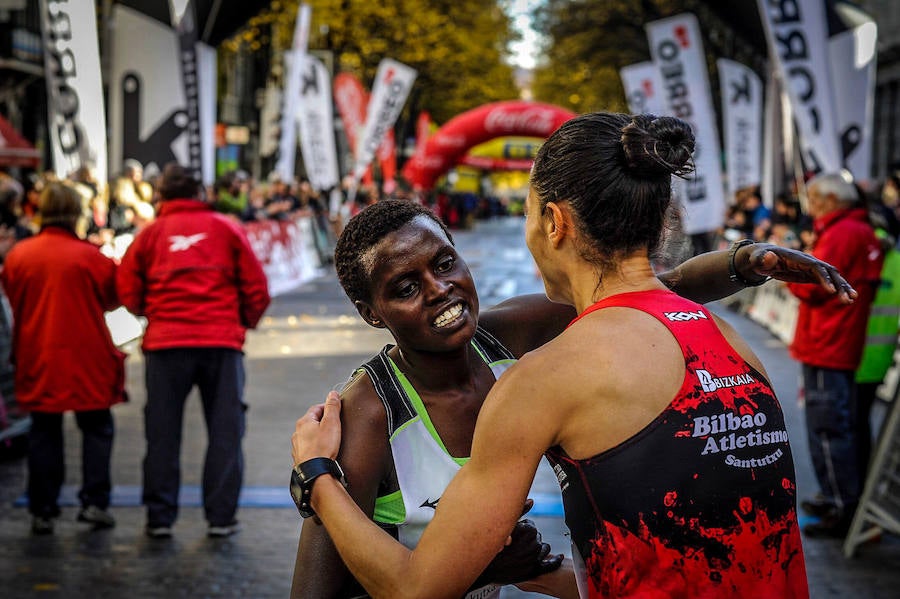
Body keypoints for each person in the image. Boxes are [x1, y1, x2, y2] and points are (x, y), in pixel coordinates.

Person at [290, 114, 858, 598]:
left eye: (443, 264)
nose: (439, 290)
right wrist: (319, 477)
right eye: (405, 287)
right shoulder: (734, 346)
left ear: (554, 223)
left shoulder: (531, 366)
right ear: (372, 311)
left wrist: (314, 475)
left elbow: (666, 284)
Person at [116, 162, 271, 539]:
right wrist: (239, 325)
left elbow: (127, 289)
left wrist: (150, 312)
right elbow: (257, 289)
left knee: (162, 434)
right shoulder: (226, 228)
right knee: (225, 431)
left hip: (166, 345)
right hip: (220, 345)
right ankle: (220, 517)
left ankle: (160, 517)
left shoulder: (150, 235)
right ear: (200, 193)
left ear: (161, 196)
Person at [1, 182, 126, 535]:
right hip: (88, 355)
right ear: (76, 213)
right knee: (97, 430)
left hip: (38, 354)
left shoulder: (20, 255)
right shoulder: (91, 256)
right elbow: (113, 298)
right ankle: (95, 503)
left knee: (44, 432)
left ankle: (43, 508)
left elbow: (12, 295)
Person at [786, 172, 884, 539]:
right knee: (836, 425)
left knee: (828, 427)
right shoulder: (855, 229)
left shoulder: (843, 232)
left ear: (827, 200)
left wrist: (787, 270)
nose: (809, 205)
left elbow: (814, 284)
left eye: (813, 198)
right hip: (837, 340)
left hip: (828, 341)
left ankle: (840, 505)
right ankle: (838, 498)